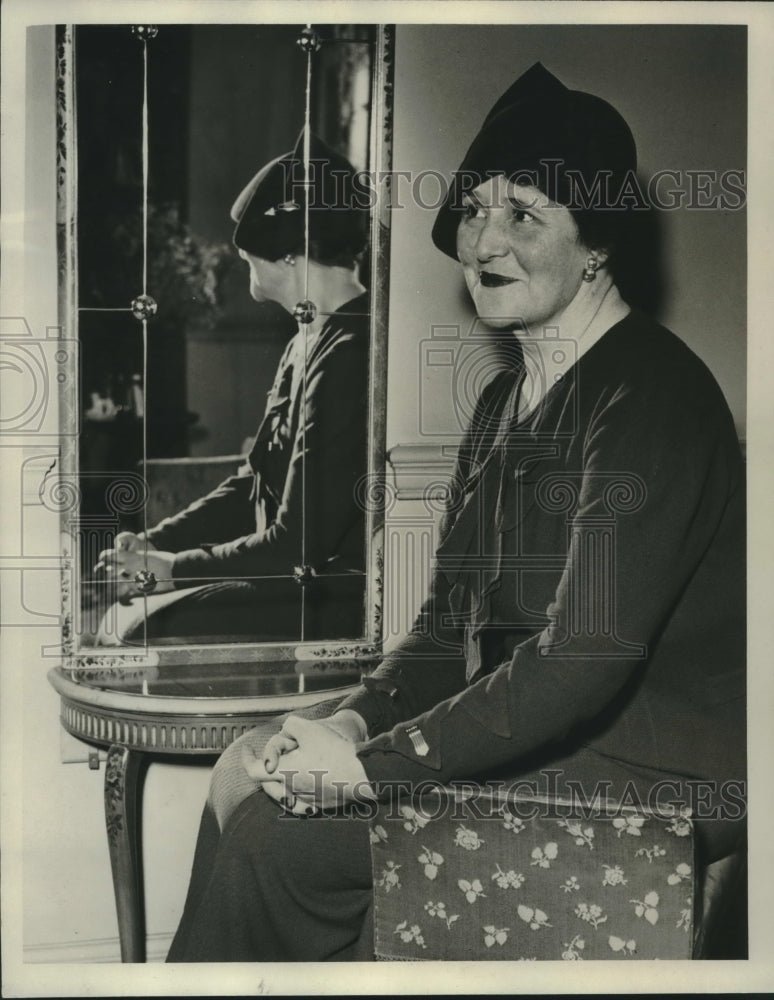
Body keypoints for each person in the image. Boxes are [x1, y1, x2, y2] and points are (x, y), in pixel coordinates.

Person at [166, 63, 746, 961]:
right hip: (545, 737)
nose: (485, 240)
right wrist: (349, 723)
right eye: (474, 209)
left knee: (279, 838)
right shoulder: (501, 403)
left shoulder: (653, 395)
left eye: (524, 213)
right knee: (248, 769)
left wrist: (366, 773)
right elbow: (445, 627)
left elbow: (578, 665)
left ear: (597, 241)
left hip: (650, 774)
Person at [96, 133, 371, 644]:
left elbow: (298, 544)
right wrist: (156, 542)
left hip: (327, 598)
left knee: (141, 635)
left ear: (287, 255)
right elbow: (254, 483)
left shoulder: (350, 352)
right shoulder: (309, 337)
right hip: (289, 580)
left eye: (248, 254)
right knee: (127, 623)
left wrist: (172, 568)